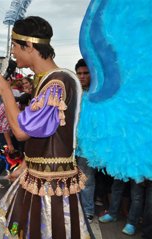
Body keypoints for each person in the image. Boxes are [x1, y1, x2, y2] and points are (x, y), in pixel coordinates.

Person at [0, 16, 90, 238]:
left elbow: (21, 132)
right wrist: (25, 165)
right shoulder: (46, 80)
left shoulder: (57, 82)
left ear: (29, 46)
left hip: (50, 187)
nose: (13, 53)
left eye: (15, 46)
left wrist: (6, 93)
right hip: (38, 178)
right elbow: (43, 135)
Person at [75, 58, 95, 223]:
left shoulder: (98, 95)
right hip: (70, 145)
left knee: (87, 180)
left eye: (86, 73)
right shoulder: (73, 93)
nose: (82, 76)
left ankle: (88, 210)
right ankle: (74, 207)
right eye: (79, 73)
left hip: (88, 147)